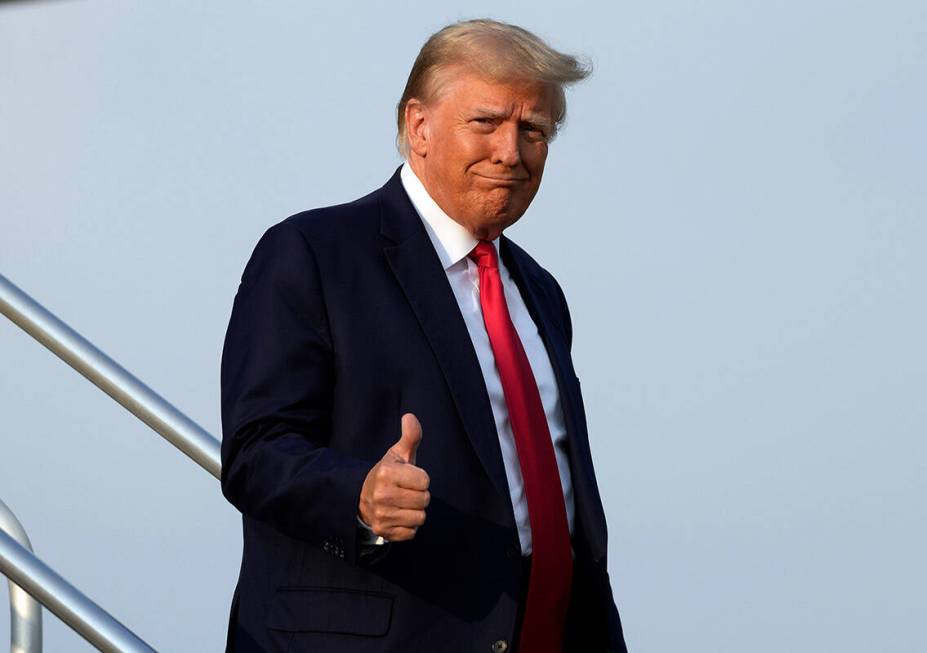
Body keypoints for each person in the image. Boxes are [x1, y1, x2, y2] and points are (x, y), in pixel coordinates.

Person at [220, 18, 627, 653]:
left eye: (533, 131)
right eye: (486, 122)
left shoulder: (540, 292)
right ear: (419, 126)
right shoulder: (312, 253)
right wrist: (357, 495)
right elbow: (256, 452)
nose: (511, 152)